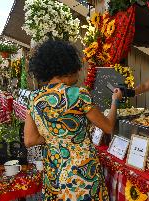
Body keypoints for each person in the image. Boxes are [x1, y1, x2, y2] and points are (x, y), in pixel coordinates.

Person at [24, 39, 122, 200]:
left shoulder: (34, 98)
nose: (79, 74)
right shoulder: (78, 94)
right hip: (81, 172)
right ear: (67, 68)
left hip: (54, 170)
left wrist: (55, 137)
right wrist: (115, 100)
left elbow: (30, 140)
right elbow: (108, 127)